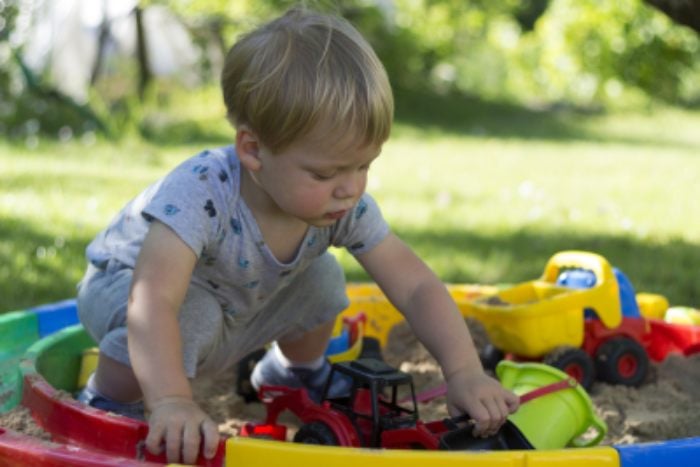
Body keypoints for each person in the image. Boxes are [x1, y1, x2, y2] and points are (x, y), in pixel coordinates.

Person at [76, 7, 519, 464]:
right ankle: (110, 396)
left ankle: (292, 373)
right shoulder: (201, 194)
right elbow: (153, 299)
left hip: (227, 296)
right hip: (127, 288)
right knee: (195, 312)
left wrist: (464, 370)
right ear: (253, 150)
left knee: (322, 277)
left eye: (364, 166)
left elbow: (416, 285)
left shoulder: (339, 204)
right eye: (325, 172)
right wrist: (171, 400)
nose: (350, 187)